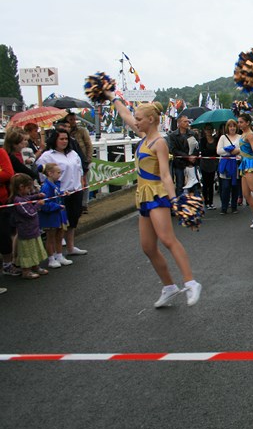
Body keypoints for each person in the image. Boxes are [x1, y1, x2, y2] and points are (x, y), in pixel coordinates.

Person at [102, 94, 201, 307]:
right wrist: (112, 97)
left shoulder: (159, 143)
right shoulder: (143, 136)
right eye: (136, 119)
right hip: (143, 196)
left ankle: (191, 282)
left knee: (168, 239)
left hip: (157, 195)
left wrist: (174, 200)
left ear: (150, 120)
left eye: (139, 119)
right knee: (147, 247)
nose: (135, 122)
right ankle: (169, 287)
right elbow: (124, 114)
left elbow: (165, 174)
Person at [36, 128, 88, 259]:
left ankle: (71, 247)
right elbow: (41, 175)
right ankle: (55, 254)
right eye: (61, 139)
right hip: (60, 194)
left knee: (73, 220)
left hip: (75, 190)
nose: (64, 141)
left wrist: (81, 184)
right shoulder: (47, 156)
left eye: (66, 139)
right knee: (57, 226)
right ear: (55, 140)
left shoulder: (73, 154)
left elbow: (80, 170)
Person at [9, 174, 49, 280]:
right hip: (26, 231)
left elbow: (29, 198)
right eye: (28, 188)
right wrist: (38, 204)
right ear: (21, 187)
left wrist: (37, 196)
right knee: (27, 252)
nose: (30, 190)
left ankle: (35, 266)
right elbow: (29, 213)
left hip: (33, 229)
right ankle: (26, 271)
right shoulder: (18, 200)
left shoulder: (23, 197)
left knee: (34, 249)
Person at [39, 163, 71, 269]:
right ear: (50, 173)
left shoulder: (55, 184)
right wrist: (57, 206)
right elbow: (44, 204)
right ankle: (51, 259)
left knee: (59, 235)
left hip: (59, 214)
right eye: (58, 172)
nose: (60, 175)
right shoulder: (46, 187)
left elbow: (57, 195)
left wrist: (63, 193)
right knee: (51, 237)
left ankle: (59, 255)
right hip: (51, 216)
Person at [65, 112, 93, 213]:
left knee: (85, 182)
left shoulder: (81, 131)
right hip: (71, 161)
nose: (73, 122)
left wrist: (88, 159)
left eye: (74, 119)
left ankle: (84, 204)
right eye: (70, 120)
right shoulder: (65, 134)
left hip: (82, 160)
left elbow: (88, 145)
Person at [216, 119, 241, 215]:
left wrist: (236, 151)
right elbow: (219, 151)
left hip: (236, 164)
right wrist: (229, 150)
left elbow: (242, 150)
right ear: (227, 127)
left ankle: (234, 207)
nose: (232, 128)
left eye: (234, 126)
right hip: (226, 165)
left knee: (235, 187)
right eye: (230, 126)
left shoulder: (240, 137)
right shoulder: (223, 137)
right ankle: (224, 207)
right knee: (225, 187)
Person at [167, 115, 196, 195]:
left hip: (191, 164)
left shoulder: (192, 134)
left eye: (188, 121)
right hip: (179, 164)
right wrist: (187, 157)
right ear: (179, 123)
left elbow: (196, 147)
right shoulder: (173, 136)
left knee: (193, 185)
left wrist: (193, 156)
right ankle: (179, 201)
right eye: (185, 121)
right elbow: (173, 149)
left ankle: (192, 201)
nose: (187, 123)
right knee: (180, 185)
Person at [0, 145, 16, 282]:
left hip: (1, 201)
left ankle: (7, 265)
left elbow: (8, 173)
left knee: (4, 235)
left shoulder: (1, 152)